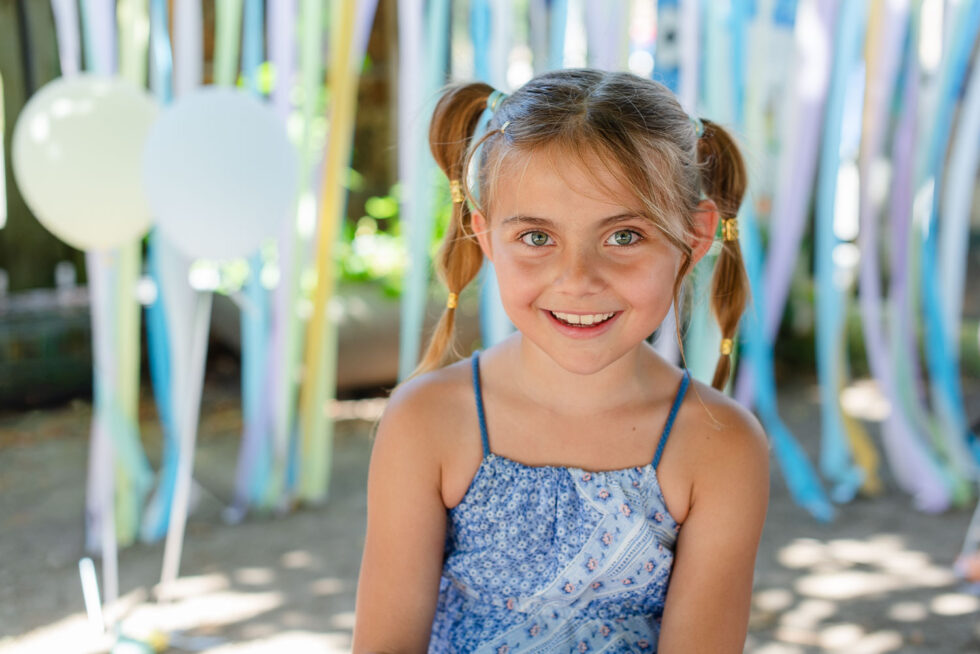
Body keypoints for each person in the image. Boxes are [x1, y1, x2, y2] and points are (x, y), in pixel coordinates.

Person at [353, 68, 769, 653]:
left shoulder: (721, 445)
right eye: (537, 237)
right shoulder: (426, 421)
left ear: (694, 238)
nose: (577, 281)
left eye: (624, 235)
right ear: (487, 236)